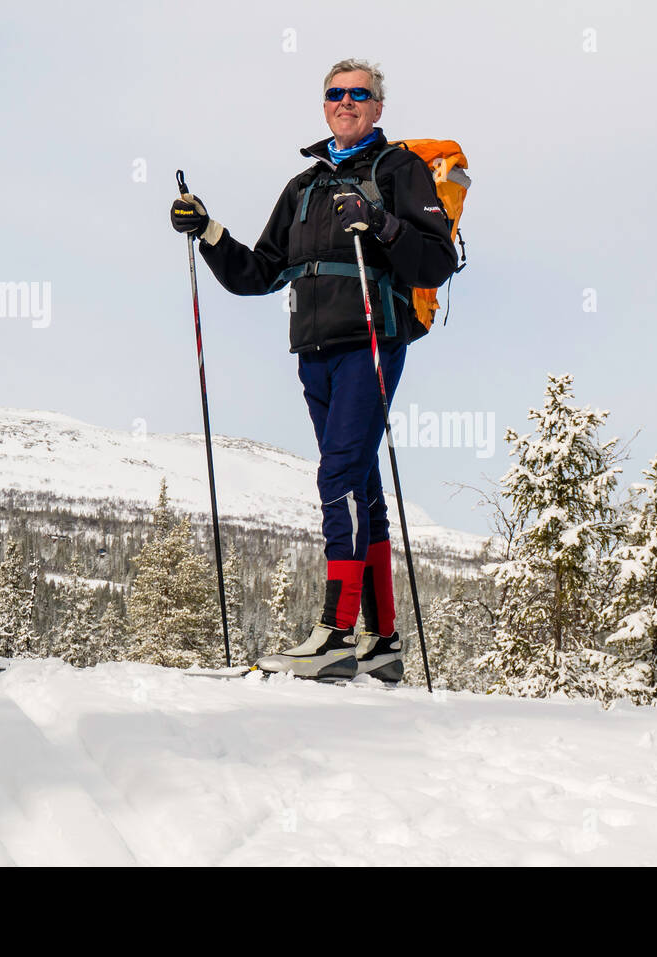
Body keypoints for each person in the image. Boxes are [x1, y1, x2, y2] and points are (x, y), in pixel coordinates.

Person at [170, 59, 458, 681]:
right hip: (313, 349)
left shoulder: (399, 171)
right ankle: (381, 642)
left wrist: (379, 221)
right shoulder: (303, 187)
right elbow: (258, 272)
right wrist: (208, 231)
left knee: (340, 474)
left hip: (371, 340)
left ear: (379, 108)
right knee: (360, 483)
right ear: (324, 106)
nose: (346, 101)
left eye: (360, 94)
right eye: (336, 94)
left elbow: (435, 261)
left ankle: (335, 636)